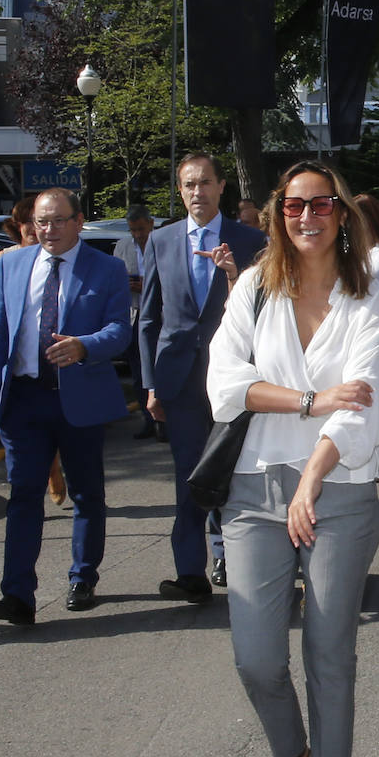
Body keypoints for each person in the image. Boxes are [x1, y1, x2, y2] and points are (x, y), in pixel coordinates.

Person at [206, 160, 379, 757]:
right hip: (253, 489)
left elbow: (368, 398)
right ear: (278, 214)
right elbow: (225, 384)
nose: (307, 216)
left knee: (327, 651)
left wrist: (313, 474)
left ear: (342, 214)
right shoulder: (256, 287)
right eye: (293, 206)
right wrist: (312, 400)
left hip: (339, 489)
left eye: (321, 204)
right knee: (256, 657)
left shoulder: (370, 294)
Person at [0, 188, 132, 623]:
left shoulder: (108, 268)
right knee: (24, 495)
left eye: (59, 221)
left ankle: (83, 576)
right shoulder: (10, 263)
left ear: (79, 221)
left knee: (86, 493)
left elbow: (121, 330)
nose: (49, 230)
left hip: (78, 400)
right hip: (23, 400)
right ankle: (18, 595)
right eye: (42, 222)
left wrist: (85, 346)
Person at [141, 151, 266, 601]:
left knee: (235, 472)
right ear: (180, 190)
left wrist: (235, 277)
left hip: (234, 377)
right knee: (188, 474)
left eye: (205, 183)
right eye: (189, 184)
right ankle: (190, 572)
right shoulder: (161, 240)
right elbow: (149, 319)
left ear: (221, 187)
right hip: (180, 380)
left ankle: (239, 560)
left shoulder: (250, 240)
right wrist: (150, 383)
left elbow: (268, 313)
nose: (198, 192)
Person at [0, 196, 68, 505]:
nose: (36, 230)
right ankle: (37, 482)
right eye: (30, 224)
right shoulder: (6, 260)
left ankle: (53, 470)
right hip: (19, 378)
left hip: (55, 373)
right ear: (20, 227)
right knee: (22, 459)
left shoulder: (58, 258)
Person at [114, 205, 157, 439]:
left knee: (160, 370)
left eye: (141, 229)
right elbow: (112, 278)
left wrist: (147, 285)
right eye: (133, 230)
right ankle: (148, 421)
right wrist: (127, 285)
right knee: (140, 374)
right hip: (133, 314)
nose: (138, 235)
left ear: (150, 224)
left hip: (159, 315)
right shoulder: (122, 246)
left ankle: (166, 422)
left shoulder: (161, 242)